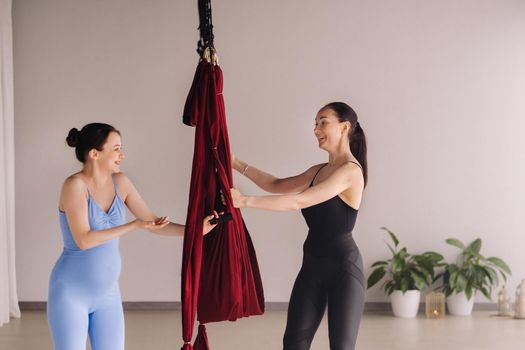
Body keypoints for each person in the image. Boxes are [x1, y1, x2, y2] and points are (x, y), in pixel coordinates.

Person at [47, 123, 218, 350]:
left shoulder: (122, 183)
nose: (122, 154)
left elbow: (154, 223)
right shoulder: (74, 186)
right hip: (70, 293)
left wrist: (196, 231)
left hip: (108, 295)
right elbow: (84, 240)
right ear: (94, 154)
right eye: (116, 148)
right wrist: (134, 226)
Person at [230, 102, 368, 350]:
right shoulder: (318, 171)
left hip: (344, 271)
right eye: (315, 123)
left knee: (342, 347)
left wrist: (245, 201)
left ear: (344, 127)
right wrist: (235, 162)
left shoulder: (351, 172)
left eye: (323, 122)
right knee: (293, 344)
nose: (316, 129)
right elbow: (276, 184)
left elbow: (298, 201)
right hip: (312, 268)